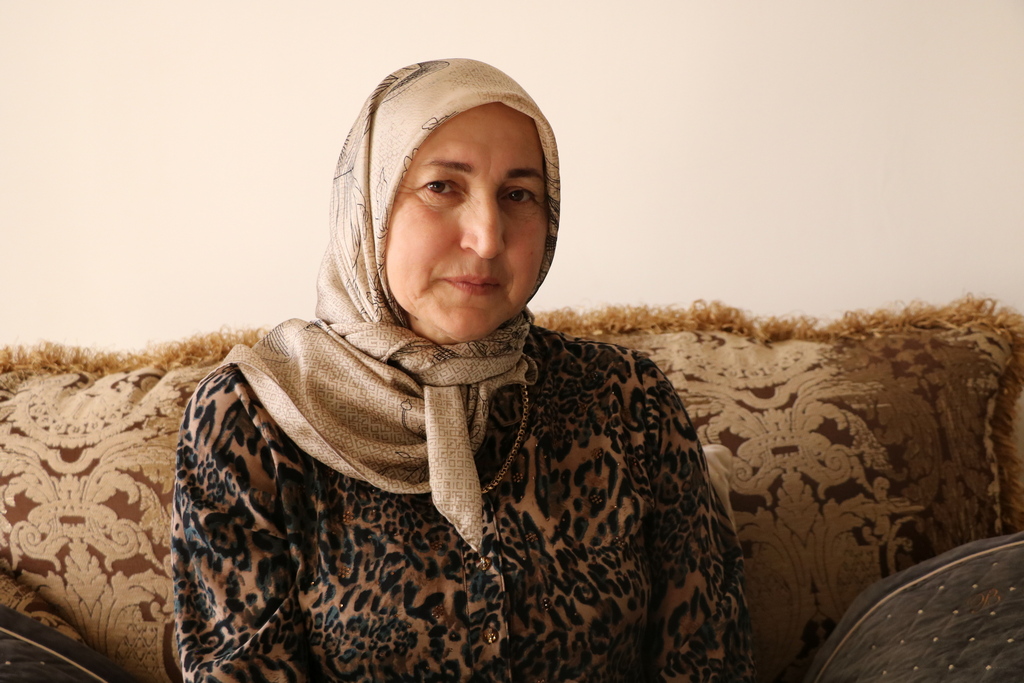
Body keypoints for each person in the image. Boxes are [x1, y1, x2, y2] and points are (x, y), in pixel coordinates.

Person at [171, 58, 755, 682]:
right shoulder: (254, 417)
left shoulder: (627, 400)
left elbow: (707, 660)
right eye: (442, 187)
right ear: (369, 205)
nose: (487, 238)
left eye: (518, 195)